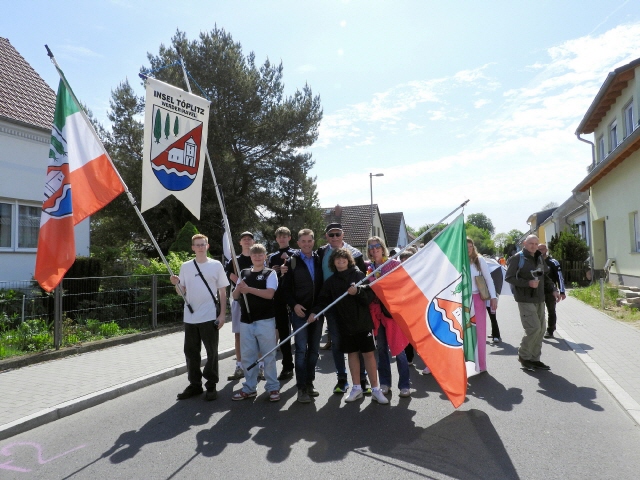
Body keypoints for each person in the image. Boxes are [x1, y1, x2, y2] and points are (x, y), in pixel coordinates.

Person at [308, 248, 388, 405]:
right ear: (333, 262)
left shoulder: (358, 275)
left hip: (362, 323)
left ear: (348, 260)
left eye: (343, 258)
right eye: (337, 259)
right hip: (345, 324)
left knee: (368, 354)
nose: (340, 261)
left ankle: (376, 389)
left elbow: (369, 296)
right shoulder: (331, 282)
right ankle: (356, 388)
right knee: (352, 354)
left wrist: (357, 292)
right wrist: (315, 312)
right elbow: (323, 301)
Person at [170, 234, 229, 401]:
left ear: (207, 246)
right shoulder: (186, 266)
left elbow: (223, 291)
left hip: (209, 316)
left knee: (212, 352)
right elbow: (181, 291)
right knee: (191, 353)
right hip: (190, 317)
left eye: (203, 244)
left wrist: (222, 315)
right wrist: (175, 283)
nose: (200, 247)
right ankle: (195, 384)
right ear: (193, 248)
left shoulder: (216, 265)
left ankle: (211, 385)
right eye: (197, 245)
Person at [316, 223, 368, 394]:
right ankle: (342, 379)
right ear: (326, 237)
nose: (335, 237)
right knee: (337, 343)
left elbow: (363, 281)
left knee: (357, 343)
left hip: (353, 306)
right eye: (331, 235)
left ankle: (362, 379)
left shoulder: (355, 253)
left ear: (343, 234)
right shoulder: (321, 252)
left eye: (337, 234)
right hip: (332, 306)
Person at [231, 244, 281, 402]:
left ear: (265, 256)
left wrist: (249, 289)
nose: (258, 257)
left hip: (265, 320)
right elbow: (235, 296)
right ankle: (249, 387)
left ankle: (273, 387)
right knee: (247, 356)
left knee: (268, 355)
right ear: (251, 257)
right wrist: (239, 288)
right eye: (255, 255)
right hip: (246, 321)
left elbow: (270, 294)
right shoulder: (243, 273)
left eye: (260, 255)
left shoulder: (270, 273)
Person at [505, 235, 560, 371]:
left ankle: (535, 359)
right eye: (531, 243)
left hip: (539, 298)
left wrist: (553, 289)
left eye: (536, 244)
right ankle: (524, 356)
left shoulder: (539, 257)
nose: (534, 246)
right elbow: (509, 277)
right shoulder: (517, 258)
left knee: (541, 330)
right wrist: (527, 283)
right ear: (525, 243)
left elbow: (545, 276)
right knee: (533, 328)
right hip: (525, 299)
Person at [365, 236, 411, 397]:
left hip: (393, 314)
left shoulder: (394, 264)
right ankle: (385, 383)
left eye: (377, 246)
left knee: (399, 350)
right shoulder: (370, 268)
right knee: (382, 349)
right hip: (378, 314)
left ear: (382, 247)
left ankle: (404, 385)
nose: (374, 249)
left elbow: (404, 285)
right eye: (371, 247)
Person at [282, 229, 324, 403]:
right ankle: (301, 388)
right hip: (299, 313)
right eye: (303, 241)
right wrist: (294, 305)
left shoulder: (320, 260)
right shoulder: (291, 261)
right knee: (301, 351)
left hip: (317, 313)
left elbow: (323, 289)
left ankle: (309, 383)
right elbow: (285, 289)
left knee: (314, 351)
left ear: (313, 242)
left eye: (309, 241)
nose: (307, 244)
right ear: (298, 243)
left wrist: (317, 310)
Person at [225, 231, 261, 381]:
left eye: (249, 239)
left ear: (253, 242)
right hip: (239, 300)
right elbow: (229, 275)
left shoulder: (258, 258)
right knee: (239, 334)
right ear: (240, 242)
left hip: (257, 300)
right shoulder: (234, 261)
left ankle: (260, 366)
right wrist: (239, 282)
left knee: (259, 334)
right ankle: (239, 366)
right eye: (244, 239)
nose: (247, 241)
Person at [268, 226, 296, 380]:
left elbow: (298, 273)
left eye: (285, 236)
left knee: (299, 333)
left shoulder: (295, 253)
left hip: (294, 297)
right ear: (276, 239)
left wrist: (289, 261)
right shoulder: (272, 257)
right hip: (279, 298)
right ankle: (287, 366)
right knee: (284, 334)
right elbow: (269, 277)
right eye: (279, 237)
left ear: (289, 238)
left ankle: (302, 366)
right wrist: (273, 271)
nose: (282, 239)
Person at [467, 238, 498, 373]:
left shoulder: (479, 260)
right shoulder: (457, 260)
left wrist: (493, 297)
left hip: (477, 299)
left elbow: (488, 279)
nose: (468, 249)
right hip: (462, 300)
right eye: (465, 246)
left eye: (470, 246)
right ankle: (465, 364)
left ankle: (480, 364)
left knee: (479, 332)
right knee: (463, 332)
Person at [538, 244, 566, 338]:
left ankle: (550, 330)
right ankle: (539, 330)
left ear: (546, 250)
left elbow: (559, 277)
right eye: (539, 249)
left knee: (551, 311)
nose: (540, 251)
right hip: (538, 291)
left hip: (551, 291)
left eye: (542, 249)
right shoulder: (535, 261)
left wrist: (562, 291)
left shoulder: (553, 262)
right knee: (539, 312)